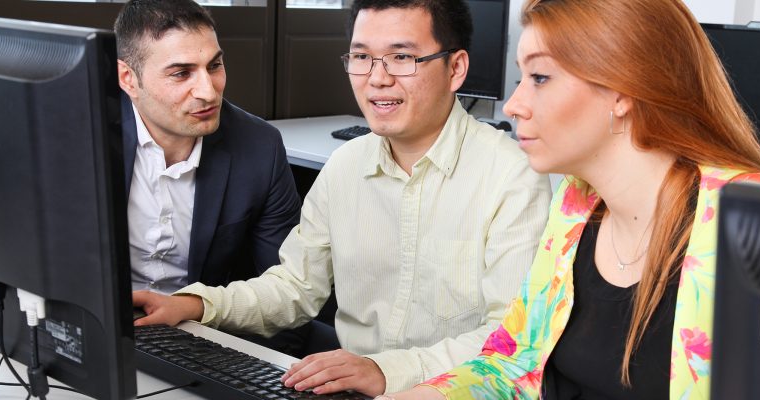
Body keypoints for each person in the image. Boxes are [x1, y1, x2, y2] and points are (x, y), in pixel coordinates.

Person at [132, 0, 553, 396]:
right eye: (362, 56)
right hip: (350, 392)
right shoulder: (345, 166)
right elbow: (294, 288)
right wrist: (195, 304)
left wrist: (387, 371)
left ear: (455, 68)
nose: (377, 77)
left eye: (402, 57)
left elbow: (510, 339)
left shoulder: (512, 175)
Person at [382, 0, 760, 399]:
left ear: (621, 89)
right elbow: (513, 365)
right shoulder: (576, 205)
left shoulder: (759, 227)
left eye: (539, 77)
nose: (513, 105)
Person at [114, 0, 301, 293]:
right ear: (128, 79)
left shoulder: (260, 147)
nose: (208, 91)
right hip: (99, 324)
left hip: (202, 324)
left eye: (214, 66)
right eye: (181, 73)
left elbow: (287, 289)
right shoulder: (80, 134)